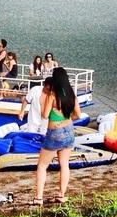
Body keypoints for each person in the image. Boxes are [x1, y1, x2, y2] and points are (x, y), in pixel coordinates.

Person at [33, 67, 81, 206]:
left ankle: (39, 198)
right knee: (64, 164)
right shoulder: (72, 94)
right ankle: (61, 195)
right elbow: (78, 114)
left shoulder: (52, 95)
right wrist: (66, 119)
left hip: (54, 133)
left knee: (42, 165)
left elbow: (44, 115)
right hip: (69, 130)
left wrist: (43, 99)